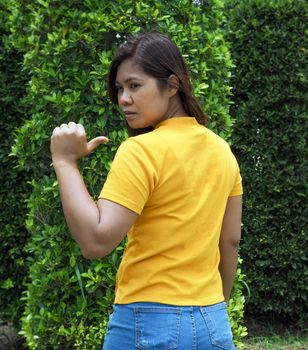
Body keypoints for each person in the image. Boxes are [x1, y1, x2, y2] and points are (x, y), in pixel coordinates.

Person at [50, 32, 242, 349]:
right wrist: (212, 306)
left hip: (148, 321)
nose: (124, 98)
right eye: (120, 89)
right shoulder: (222, 152)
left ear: (172, 85)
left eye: (135, 85)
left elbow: (96, 241)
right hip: (213, 323)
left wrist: (65, 162)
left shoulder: (141, 150)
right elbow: (231, 241)